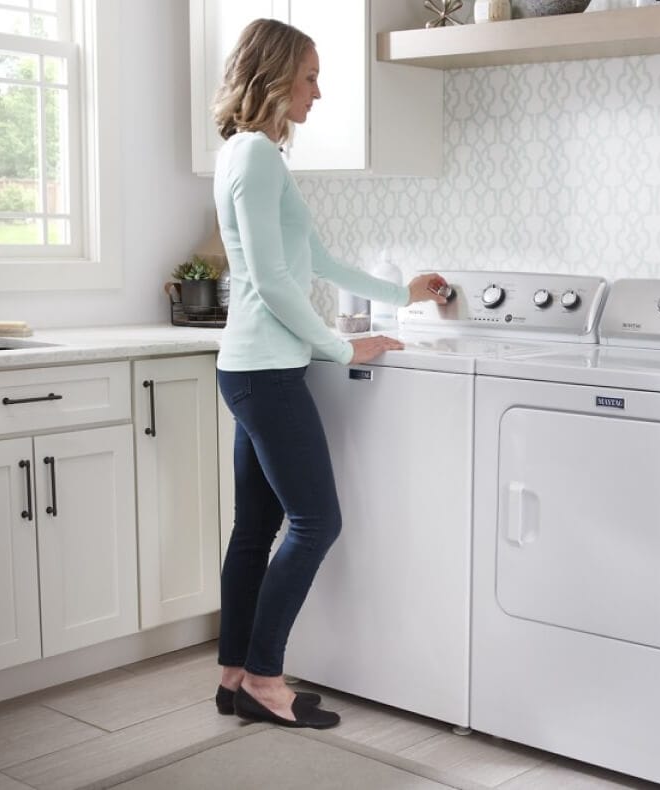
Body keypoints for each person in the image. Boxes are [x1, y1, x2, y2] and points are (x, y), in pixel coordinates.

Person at [209, 18, 449, 729]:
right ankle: (264, 676)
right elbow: (275, 286)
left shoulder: (250, 156)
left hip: (252, 368)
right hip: (265, 372)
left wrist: (402, 294)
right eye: (310, 76)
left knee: (255, 528)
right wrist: (345, 349)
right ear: (276, 77)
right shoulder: (253, 156)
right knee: (317, 523)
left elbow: (317, 262)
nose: (318, 90)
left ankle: (232, 675)